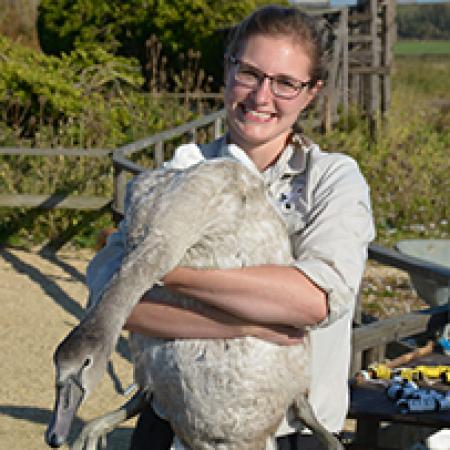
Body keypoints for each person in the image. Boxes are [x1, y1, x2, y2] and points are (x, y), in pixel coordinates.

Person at [87, 5, 375, 450]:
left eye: (285, 83)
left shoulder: (332, 180)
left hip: (289, 436)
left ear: (311, 92)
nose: (261, 96)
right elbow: (107, 303)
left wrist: (161, 271)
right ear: (228, 70)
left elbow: (314, 300)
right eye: (249, 73)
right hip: (171, 429)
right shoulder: (177, 174)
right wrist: (256, 325)